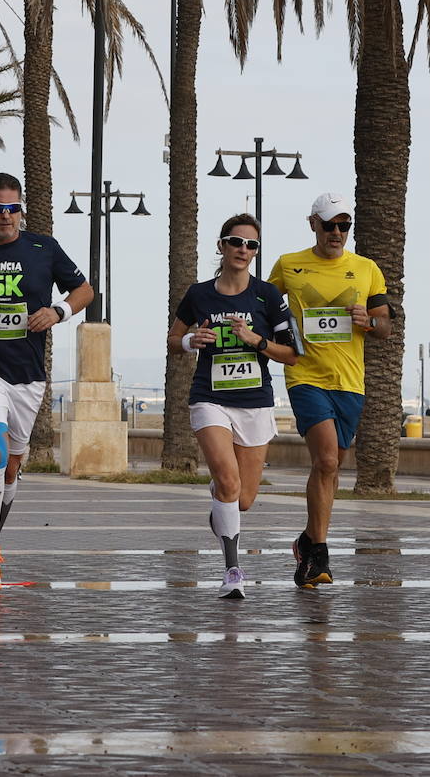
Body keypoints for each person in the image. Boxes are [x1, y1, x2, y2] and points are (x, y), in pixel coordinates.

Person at [0, 173, 93, 593]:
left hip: (27, 375)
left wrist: (59, 312)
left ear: (21, 210)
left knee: (10, 465)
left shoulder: (43, 248)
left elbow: (84, 290)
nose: (6, 216)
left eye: (13, 208)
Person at [168, 214, 300, 600]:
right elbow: (173, 339)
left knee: (242, 498)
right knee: (228, 481)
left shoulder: (268, 296)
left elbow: (292, 355)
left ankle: (221, 501)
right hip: (210, 397)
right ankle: (232, 570)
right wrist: (193, 340)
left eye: (251, 245)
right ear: (221, 246)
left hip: (255, 402)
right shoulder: (199, 294)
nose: (243, 250)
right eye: (235, 242)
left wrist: (255, 340)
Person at [268, 192, 391, 588]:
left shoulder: (367, 268)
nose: (336, 233)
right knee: (325, 461)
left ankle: (306, 541)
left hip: (350, 382)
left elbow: (386, 326)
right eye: (329, 225)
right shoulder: (290, 265)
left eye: (344, 226)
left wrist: (368, 323)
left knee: (332, 465)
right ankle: (317, 554)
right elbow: (262, 303)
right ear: (313, 224)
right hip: (306, 375)